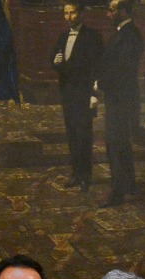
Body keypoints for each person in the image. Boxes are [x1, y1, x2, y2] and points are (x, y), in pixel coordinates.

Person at [95, 0, 143, 207]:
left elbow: (121, 70)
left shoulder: (130, 35)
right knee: (121, 144)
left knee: (115, 145)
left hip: (122, 100)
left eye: (112, 10)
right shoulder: (123, 33)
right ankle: (129, 185)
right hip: (119, 98)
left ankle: (117, 193)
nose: (108, 14)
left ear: (124, 11)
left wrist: (101, 83)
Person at [52, 3, 102, 192]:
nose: (68, 17)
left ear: (81, 13)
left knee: (84, 136)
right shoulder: (63, 36)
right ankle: (76, 174)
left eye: (72, 13)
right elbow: (54, 58)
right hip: (68, 94)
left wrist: (94, 94)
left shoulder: (92, 37)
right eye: (65, 13)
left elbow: (94, 67)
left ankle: (86, 177)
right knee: (72, 135)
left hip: (84, 95)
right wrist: (56, 62)